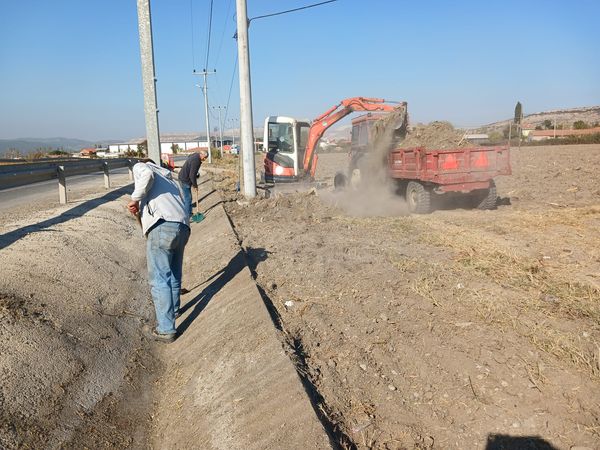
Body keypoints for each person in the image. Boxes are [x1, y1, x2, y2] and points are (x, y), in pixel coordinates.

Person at [127, 158, 190, 343]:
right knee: (174, 273)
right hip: (183, 226)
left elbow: (145, 175)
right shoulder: (169, 178)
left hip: (162, 225)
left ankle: (165, 328)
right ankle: (174, 310)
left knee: (160, 278)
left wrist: (134, 199)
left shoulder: (143, 166)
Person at [178, 150, 208, 216]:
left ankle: (188, 212)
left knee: (187, 197)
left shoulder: (195, 155)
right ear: (202, 155)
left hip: (182, 177)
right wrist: (195, 186)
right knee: (188, 198)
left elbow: (192, 170)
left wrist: (195, 174)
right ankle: (187, 215)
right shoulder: (196, 161)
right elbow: (192, 176)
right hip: (185, 180)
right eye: (205, 157)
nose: (205, 159)